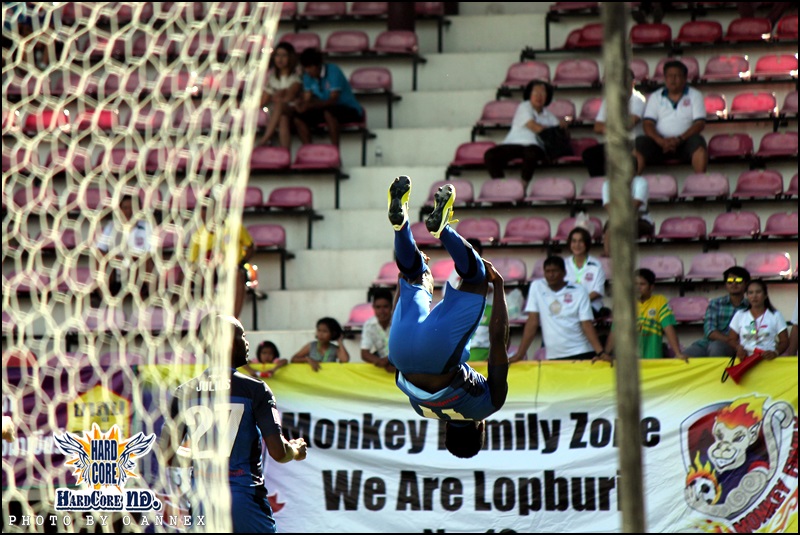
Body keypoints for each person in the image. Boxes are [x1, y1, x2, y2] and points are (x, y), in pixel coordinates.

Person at [386, 175, 510, 459]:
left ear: (480, 427)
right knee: (416, 274)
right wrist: (402, 287)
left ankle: (442, 230)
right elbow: (401, 339)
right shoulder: (421, 410)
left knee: (477, 277)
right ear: (446, 431)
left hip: (439, 357)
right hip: (400, 352)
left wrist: (499, 286)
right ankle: (401, 227)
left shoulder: (488, 406)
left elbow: (498, 343)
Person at [161, 314, 308, 533]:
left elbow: (166, 455)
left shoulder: (184, 392)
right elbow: (278, 452)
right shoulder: (255, 389)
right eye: (242, 336)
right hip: (243, 500)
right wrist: (295, 450)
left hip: (203, 503)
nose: (247, 343)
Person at [511, 256, 608, 362]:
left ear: (564, 273)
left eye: (555, 271)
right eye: (548, 271)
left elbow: (586, 324)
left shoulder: (579, 291)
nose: (551, 275)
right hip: (554, 356)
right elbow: (532, 322)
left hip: (581, 352)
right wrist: (520, 354)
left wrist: (600, 352)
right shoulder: (537, 287)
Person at [483, 79, 567, 184]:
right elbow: (535, 127)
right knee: (490, 155)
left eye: (542, 93)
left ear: (547, 96)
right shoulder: (524, 106)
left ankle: (523, 186)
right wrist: (551, 128)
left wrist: (566, 121)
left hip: (534, 146)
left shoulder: (549, 115)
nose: (539, 96)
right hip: (514, 143)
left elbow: (564, 123)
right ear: (529, 94)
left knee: (532, 153)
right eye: (535, 92)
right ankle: (502, 186)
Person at [634, 60, 707, 175]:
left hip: (684, 142)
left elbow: (699, 124)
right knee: (640, 143)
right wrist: (660, 141)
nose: (673, 79)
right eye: (669, 76)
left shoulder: (695, 95)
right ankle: (633, 182)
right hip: (659, 144)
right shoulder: (656, 96)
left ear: (685, 78)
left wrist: (680, 139)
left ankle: (700, 180)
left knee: (698, 142)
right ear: (665, 78)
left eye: (677, 76)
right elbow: (647, 123)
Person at [187, 196, 255, 321]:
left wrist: (241, 263)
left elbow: (251, 246)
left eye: (206, 209)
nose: (203, 214)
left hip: (233, 269)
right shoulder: (198, 235)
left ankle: (233, 320)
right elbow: (192, 262)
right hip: (210, 271)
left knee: (237, 275)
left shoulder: (233, 226)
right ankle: (203, 317)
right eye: (202, 210)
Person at [604, 268, 687, 361]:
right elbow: (615, 330)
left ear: (651, 287)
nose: (638, 287)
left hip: (653, 361)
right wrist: (605, 353)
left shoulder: (660, 301)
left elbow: (668, 328)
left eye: (642, 284)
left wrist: (678, 353)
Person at [293, 47, 364, 147]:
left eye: (310, 67)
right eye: (305, 67)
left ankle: (335, 151)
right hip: (323, 109)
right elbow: (307, 99)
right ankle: (308, 150)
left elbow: (333, 100)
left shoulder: (333, 71)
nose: (307, 70)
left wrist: (311, 105)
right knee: (298, 117)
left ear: (318, 65)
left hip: (349, 109)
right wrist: (301, 104)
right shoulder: (307, 76)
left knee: (329, 113)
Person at [581, 69, 646, 178]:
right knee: (590, 154)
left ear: (632, 83)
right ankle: (602, 183)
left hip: (633, 142)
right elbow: (597, 127)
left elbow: (630, 122)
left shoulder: (638, 99)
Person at [94, 193, 154, 299]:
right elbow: (100, 249)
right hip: (116, 266)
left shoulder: (147, 226)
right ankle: (104, 299)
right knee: (100, 260)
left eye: (132, 208)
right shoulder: (111, 226)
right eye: (125, 208)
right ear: (120, 210)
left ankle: (149, 297)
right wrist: (112, 257)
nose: (129, 211)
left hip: (138, 267)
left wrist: (131, 257)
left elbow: (151, 252)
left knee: (144, 261)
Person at [683, 266, 751, 358]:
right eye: (730, 281)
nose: (734, 283)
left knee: (716, 348)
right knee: (681, 358)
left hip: (735, 347)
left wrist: (734, 344)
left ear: (746, 284)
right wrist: (729, 341)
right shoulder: (715, 303)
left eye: (738, 280)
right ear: (725, 284)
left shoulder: (750, 307)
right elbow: (710, 330)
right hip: (707, 343)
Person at [727, 280, 789, 360]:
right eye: (751, 293)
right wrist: (738, 347)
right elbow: (731, 339)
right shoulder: (740, 315)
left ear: (765, 295)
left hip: (768, 360)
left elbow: (785, 341)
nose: (754, 296)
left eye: (758, 292)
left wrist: (775, 352)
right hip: (746, 360)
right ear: (747, 296)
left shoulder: (775, 315)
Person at [257, 42, 302, 149]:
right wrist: (277, 95)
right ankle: (285, 153)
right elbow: (263, 101)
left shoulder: (296, 75)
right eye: (277, 55)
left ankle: (264, 140)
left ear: (290, 57)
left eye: (284, 55)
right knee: (283, 118)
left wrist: (276, 96)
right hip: (276, 112)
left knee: (280, 105)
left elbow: (288, 98)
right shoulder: (272, 77)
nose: (280, 59)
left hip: (294, 111)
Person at [601, 173, 655, 257]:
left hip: (640, 220)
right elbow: (609, 207)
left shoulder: (640, 182)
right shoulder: (607, 184)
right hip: (617, 219)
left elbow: (634, 206)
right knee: (608, 228)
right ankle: (608, 256)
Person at [564, 227, 609, 319]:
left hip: (591, 306)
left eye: (581, 241)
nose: (577, 245)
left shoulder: (596, 265)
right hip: (568, 306)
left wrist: (579, 303)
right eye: (574, 241)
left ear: (586, 243)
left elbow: (597, 291)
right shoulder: (564, 264)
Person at [360, 288, 395, 373]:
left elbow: (407, 350)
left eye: (385, 307)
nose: (382, 311)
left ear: (392, 306)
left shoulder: (399, 323)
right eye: (378, 307)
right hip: (385, 368)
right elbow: (364, 353)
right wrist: (380, 361)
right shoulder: (369, 325)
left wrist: (391, 361)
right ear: (373, 307)